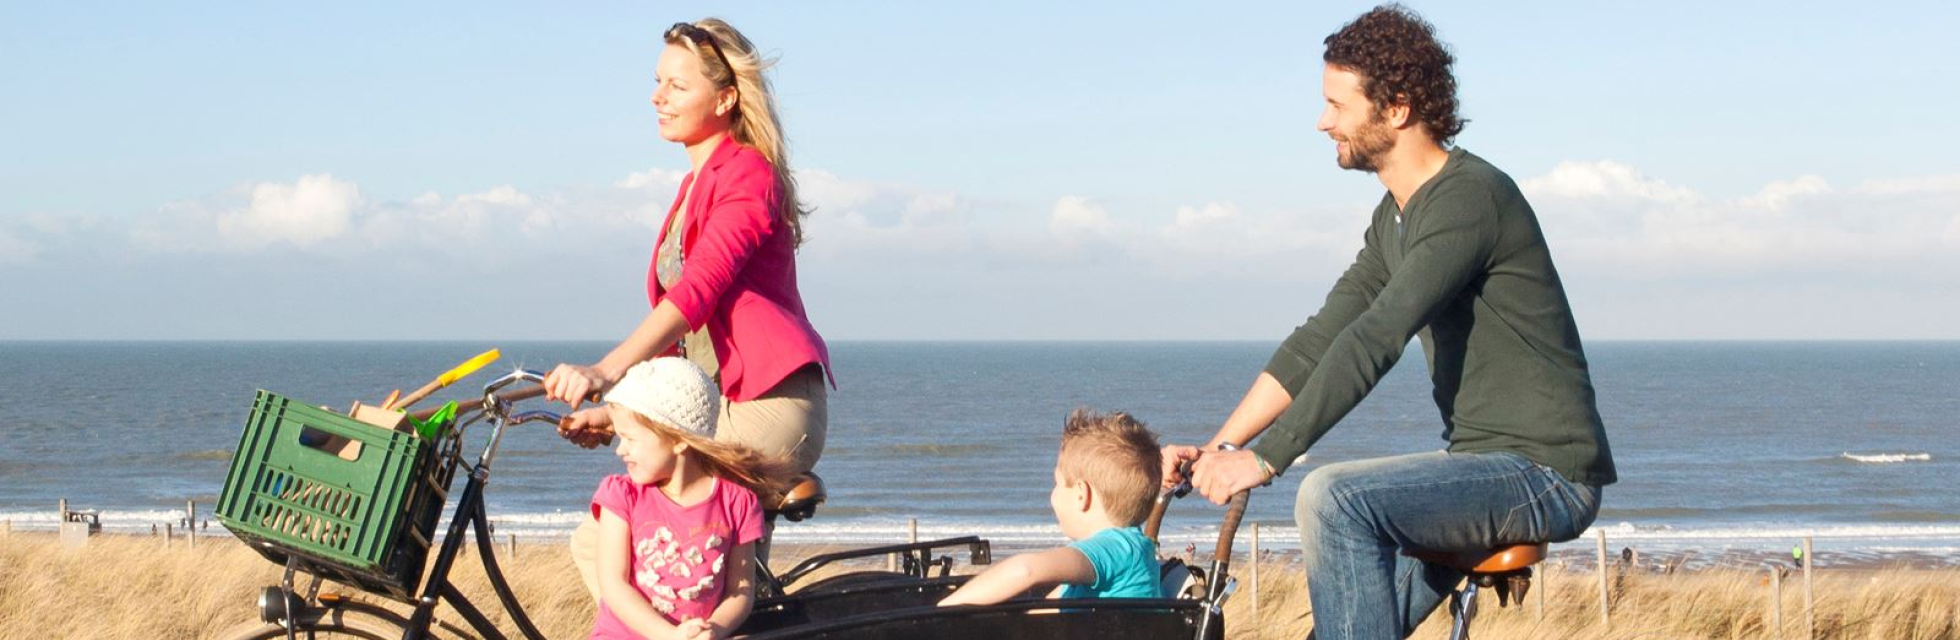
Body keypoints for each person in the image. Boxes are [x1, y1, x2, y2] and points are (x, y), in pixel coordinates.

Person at [1160, 5, 1616, 639]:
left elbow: (1377, 338)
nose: (1322, 122)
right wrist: (1221, 448)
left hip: (1544, 475)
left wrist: (1266, 461)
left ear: (1396, 107)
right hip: (1480, 467)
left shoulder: (1469, 199)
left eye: (1337, 105)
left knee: (1334, 499)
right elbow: (1320, 341)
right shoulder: (1395, 217)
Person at [547, 17, 832, 594]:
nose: (657, 96)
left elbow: (699, 289)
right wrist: (620, 411)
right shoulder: (694, 185)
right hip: (721, 403)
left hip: (768, 405)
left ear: (725, 97)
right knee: (643, 560)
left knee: (608, 540)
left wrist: (607, 372)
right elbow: (690, 354)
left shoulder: (748, 174)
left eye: (677, 86)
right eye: (657, 82)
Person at [588, 357, 792, 640]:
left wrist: (712, 631)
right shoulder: (622, 496)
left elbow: (740, 591)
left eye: (630, 439)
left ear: (679, 440)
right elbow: (613, 585)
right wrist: (670, 636)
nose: (620, 451)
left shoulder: (737, 503)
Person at [939, 409, 1164, 606]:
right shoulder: (1136, 550)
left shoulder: (1112, 550)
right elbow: (1048, 607)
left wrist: (946, 608)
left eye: (1057, 483)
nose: (1053, 493)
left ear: (1080, 495)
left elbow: (1026, 570)